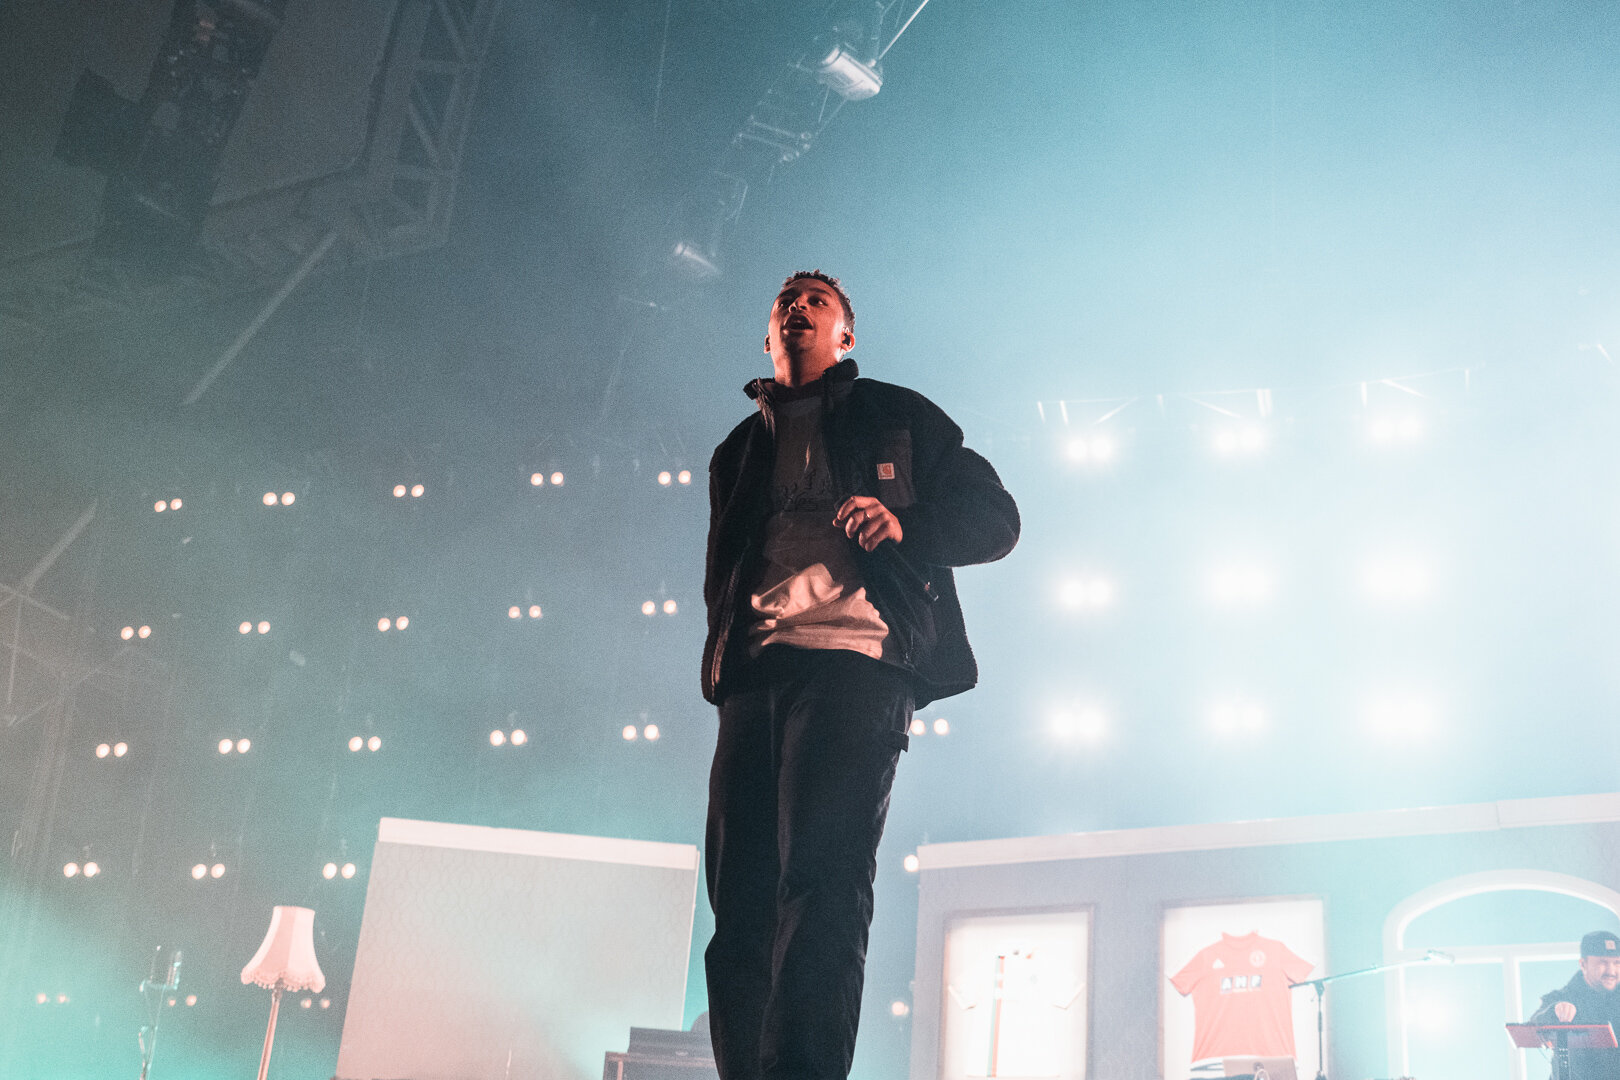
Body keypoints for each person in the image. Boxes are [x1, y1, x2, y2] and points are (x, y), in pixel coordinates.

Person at [701, 270, 1019, 1080]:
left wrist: (903, 522)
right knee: (740, 903)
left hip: (858, 665)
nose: (796, 307)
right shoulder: (737, 451)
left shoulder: (899, 416)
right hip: (755, 676)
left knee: (823, 886)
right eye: (784, 302)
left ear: (846, 336)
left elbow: (996, 520)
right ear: (767, 339)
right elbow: (723, 574)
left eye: (817, 301)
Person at [1528, 930, 1620, 1078]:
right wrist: (1554, 1011)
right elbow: (1533, 1026)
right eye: (1603, 962)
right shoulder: (1562, 998)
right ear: (1583, 964)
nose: (1612, 971)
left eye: (1617, 963)